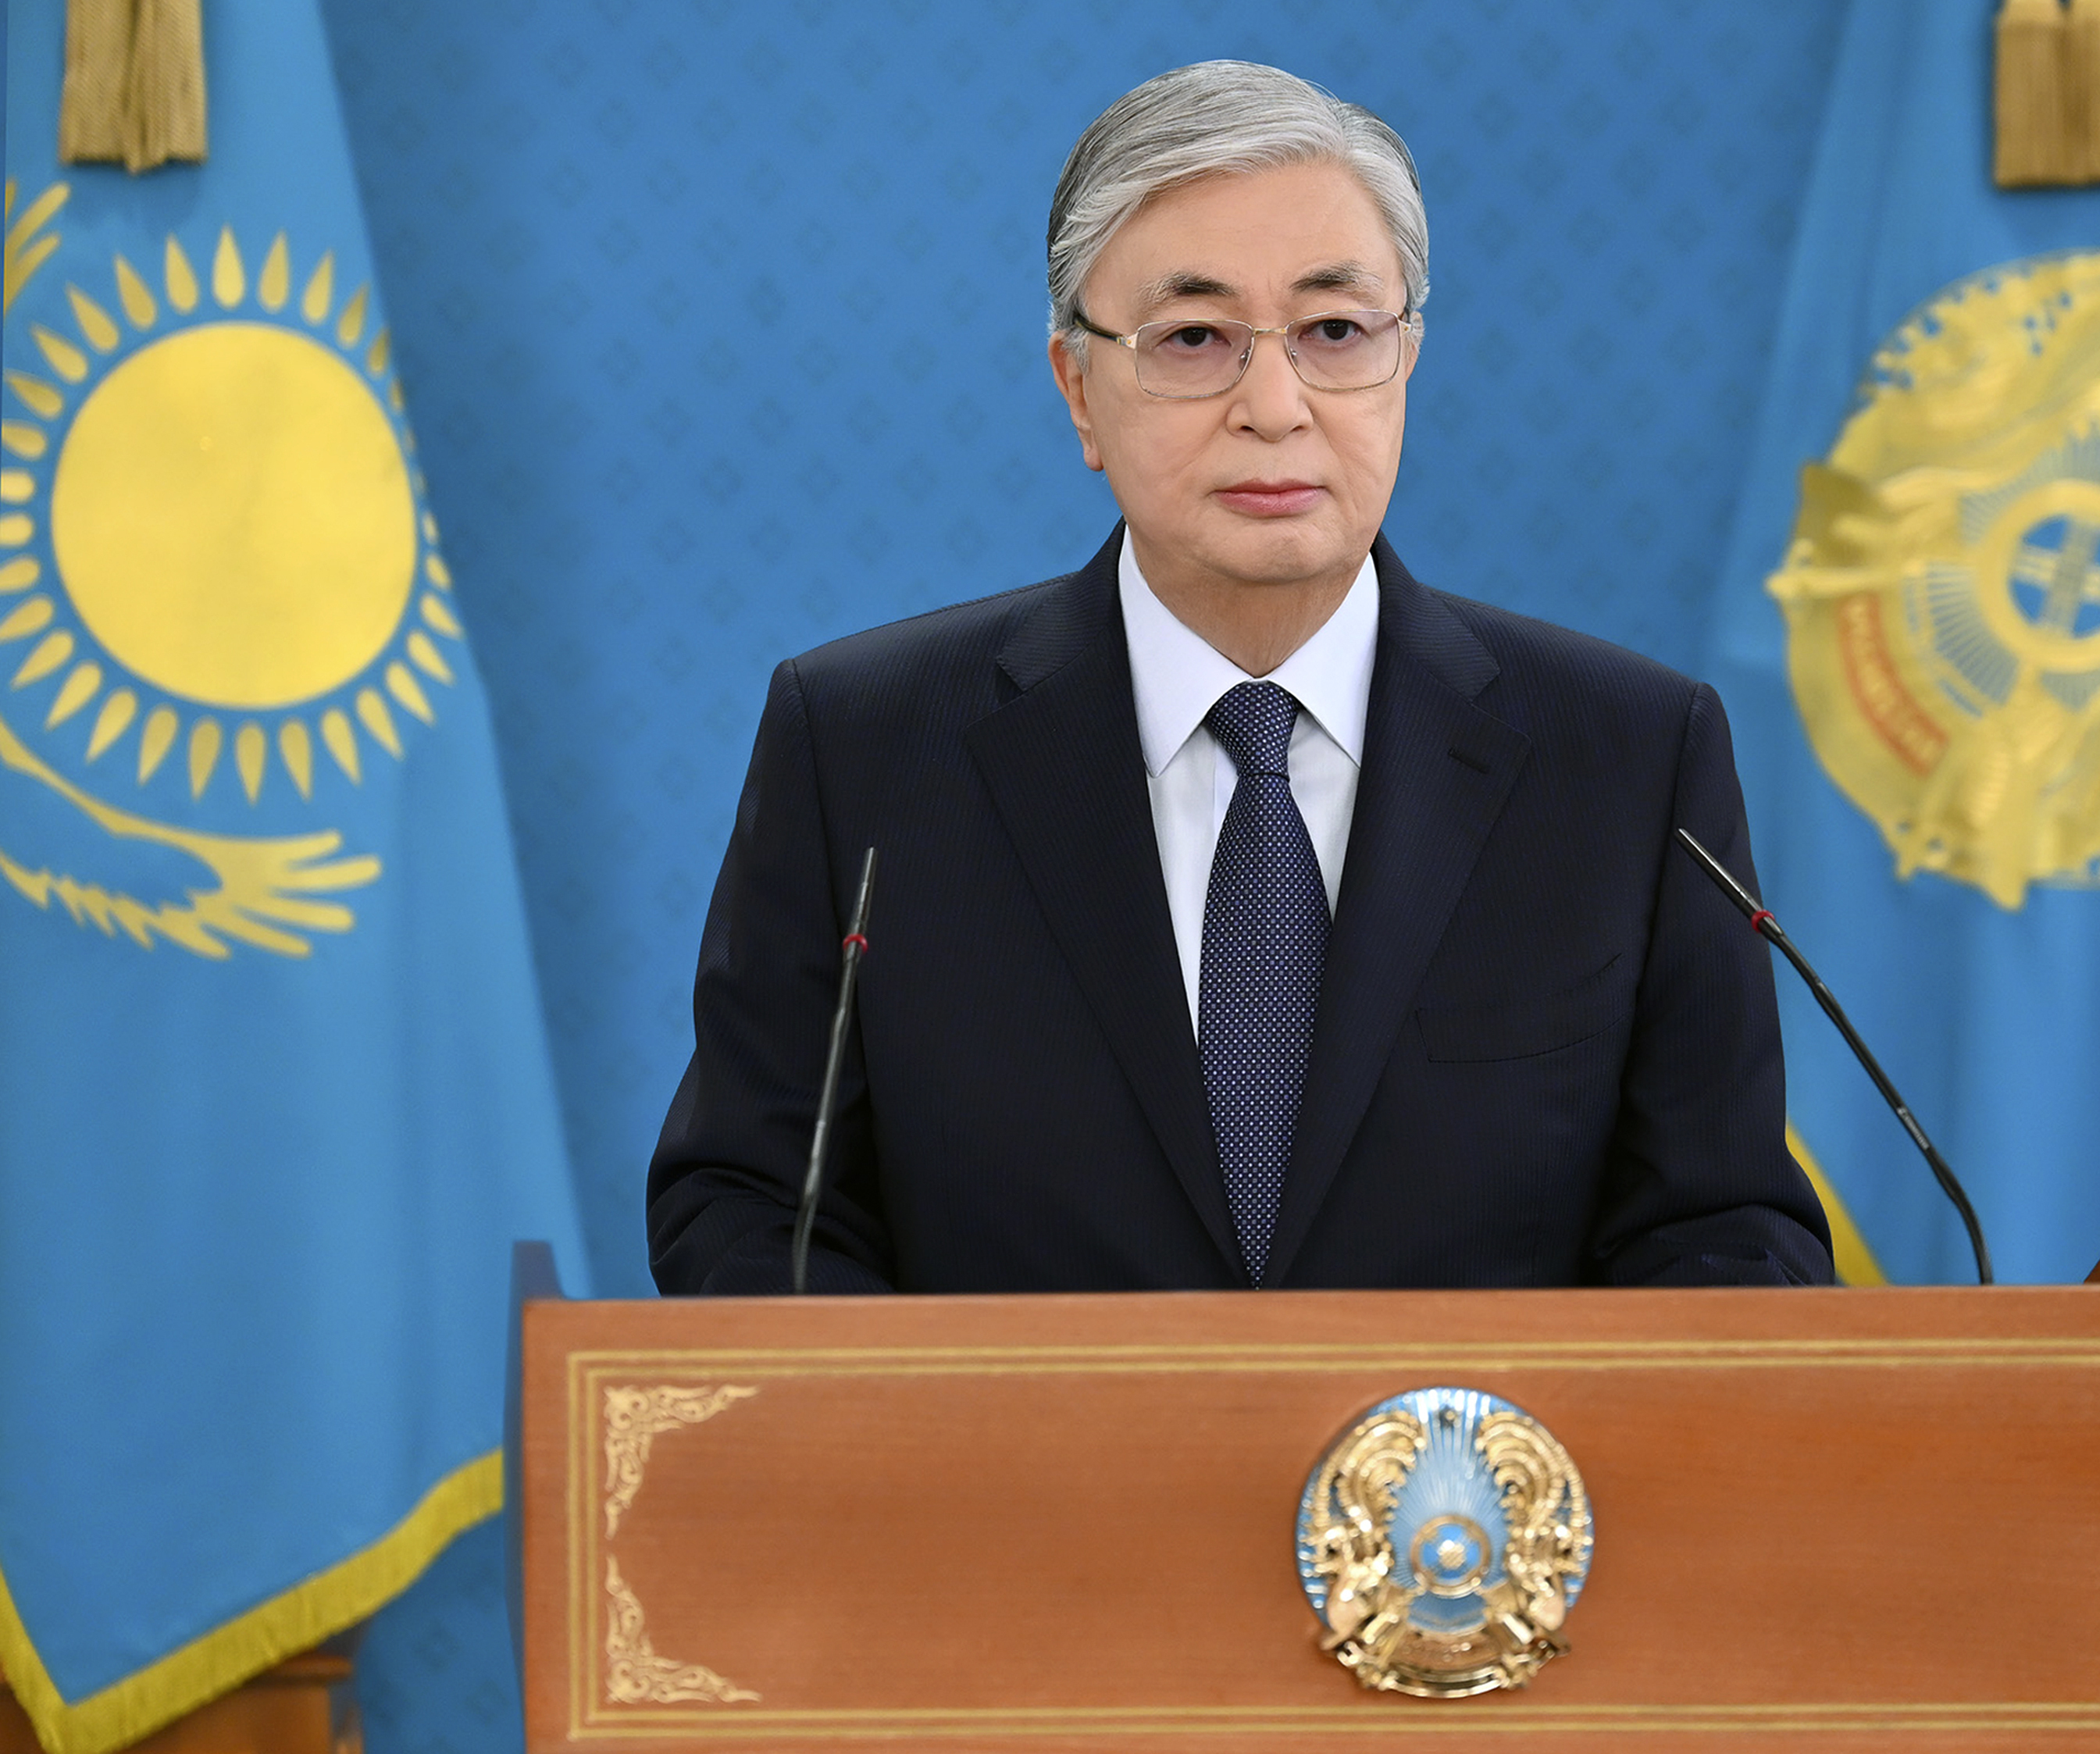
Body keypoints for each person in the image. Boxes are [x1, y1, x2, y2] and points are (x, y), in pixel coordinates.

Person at [647, 60, 1833, 1295]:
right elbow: (749, 1207)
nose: (1275, 407)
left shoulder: (1628, 759)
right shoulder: (862, 748)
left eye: (1335, 332)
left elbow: (1724, 1232)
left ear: (1405, 360)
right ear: (1078, 389)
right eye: (1193, 340)